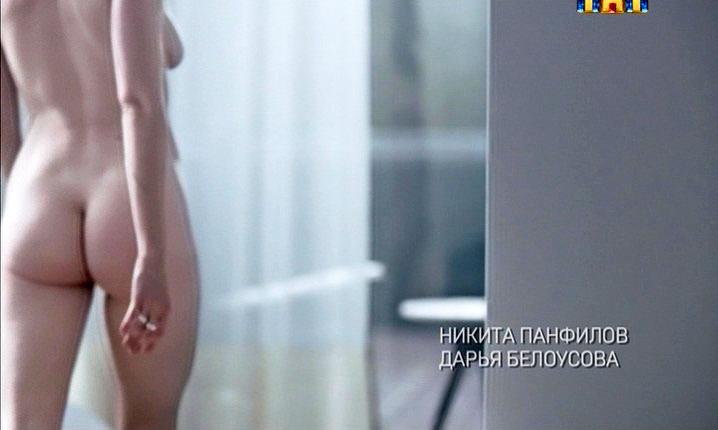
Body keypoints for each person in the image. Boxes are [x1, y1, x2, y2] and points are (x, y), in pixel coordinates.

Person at [0, 1, 199, 429]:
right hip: (124, 193)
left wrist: (21, 205)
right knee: (149, 421)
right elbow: (139, 101)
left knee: (25, 423)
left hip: (38, 192)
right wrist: (151, 256)